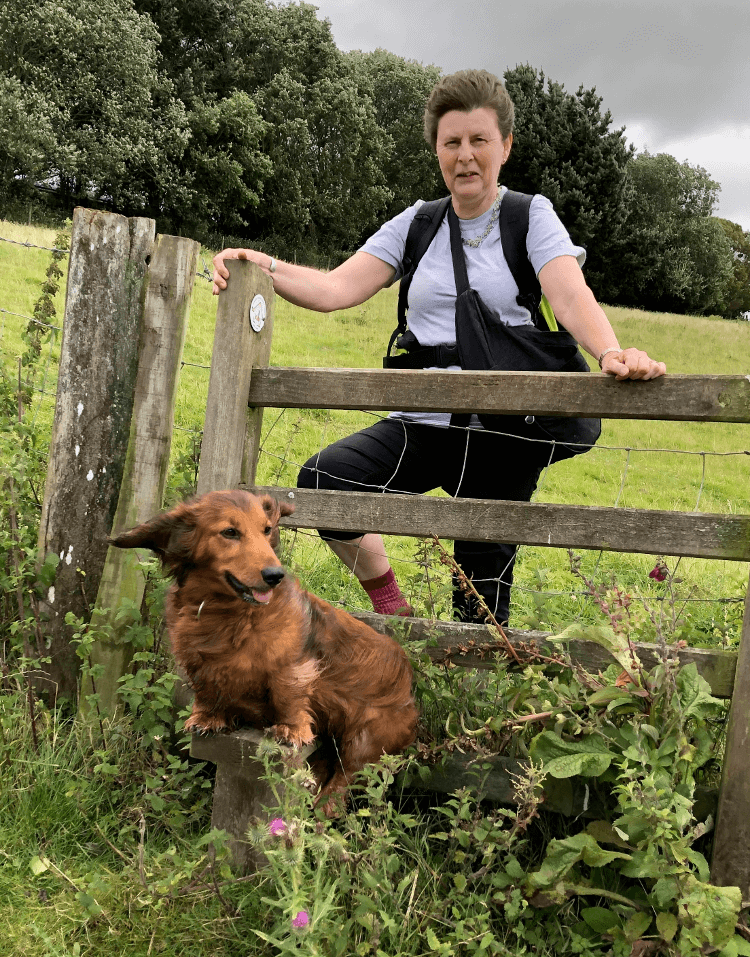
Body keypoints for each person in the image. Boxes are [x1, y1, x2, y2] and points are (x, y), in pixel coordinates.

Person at [212, 69, 666, 625]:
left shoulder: (530, 216)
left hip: (503, 432)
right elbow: (336, 289)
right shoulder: (418, 224)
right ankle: (393, 609)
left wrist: (610, 352)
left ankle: (471, 688)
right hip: (422, 424)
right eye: (452, 142)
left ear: (505, 145)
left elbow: (569, 295)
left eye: (479, 140)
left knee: (478, 604)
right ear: (437, 149)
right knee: (324, 485)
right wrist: (264, 266)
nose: (466, 155)